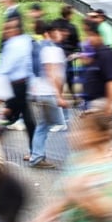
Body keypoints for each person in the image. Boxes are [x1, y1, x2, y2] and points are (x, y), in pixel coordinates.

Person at [0, 17, 36, 154]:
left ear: (17, 29)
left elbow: (5, 66)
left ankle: (35, 152)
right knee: (20, 119)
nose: (6, 31)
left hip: (17, 86)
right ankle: (35, 152)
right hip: (17, 86)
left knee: (17, 118)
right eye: (6, 28)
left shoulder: (15, 44)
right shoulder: (23, 41)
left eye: (10, 28)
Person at [27, 20, 67, 169]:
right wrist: (59, 96)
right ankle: (38, 156)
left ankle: (36, 156)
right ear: (50, 33)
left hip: (39, 92)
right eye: (58, 31)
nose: (61, 34)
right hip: (49, 93)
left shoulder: (41, 47)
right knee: (62, 125)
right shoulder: (51, 49)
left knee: (43, 125)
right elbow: (52, 73)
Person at [78, 18, 112, 116]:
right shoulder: (97, 53)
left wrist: (109, 105)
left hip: (102, 103)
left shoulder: (105, 55)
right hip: (94, 102)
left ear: (100, 36)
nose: (89, 39)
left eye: (91, 35)